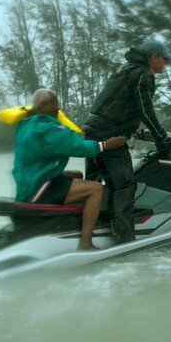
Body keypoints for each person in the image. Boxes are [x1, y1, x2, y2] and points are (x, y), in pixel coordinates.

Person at [82, 40, 171, 243]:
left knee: (93, 183)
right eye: (164, 59)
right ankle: (124, 237)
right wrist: (162, 139)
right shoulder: (143, 74)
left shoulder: (125, 69)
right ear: (154, 58)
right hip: (108, 134)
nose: (166, 63)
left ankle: (85, 227)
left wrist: (135, 132)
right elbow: (145, 110)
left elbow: (118, 105)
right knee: (124, 185)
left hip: (92, 129)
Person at [12, 88, 125, 250]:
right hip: (39, 188)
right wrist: (106, 144)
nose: (58, 108)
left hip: (31, 179)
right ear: (43, 106)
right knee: (96, 188)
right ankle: (85, 243)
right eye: (55, 104)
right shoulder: (46, 129)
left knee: (77, 174)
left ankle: (73, 219)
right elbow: (77, 147)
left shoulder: (26, 124)